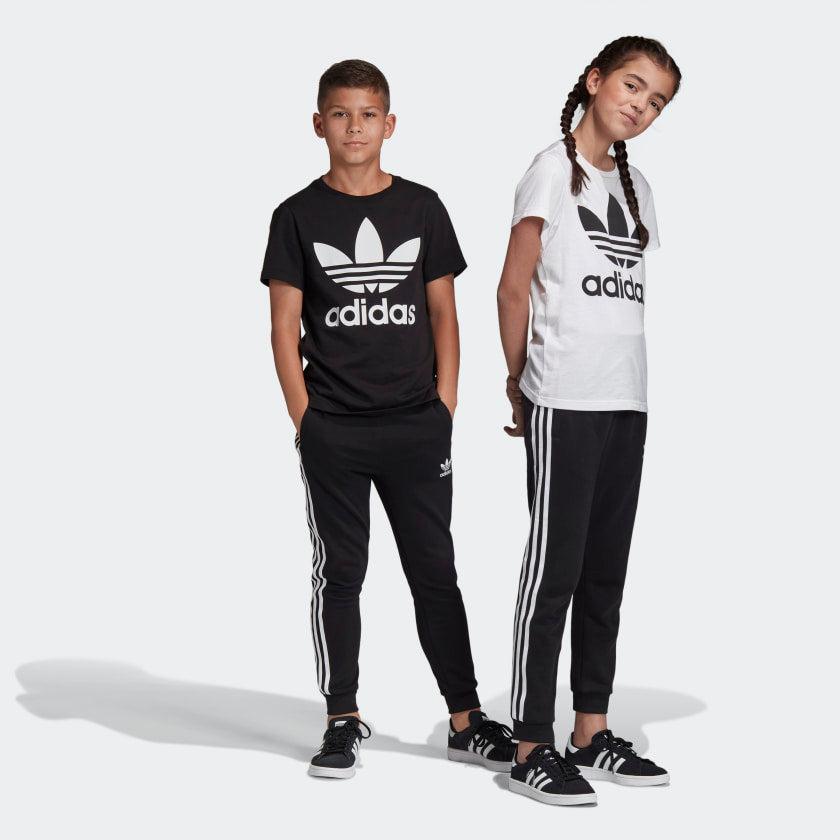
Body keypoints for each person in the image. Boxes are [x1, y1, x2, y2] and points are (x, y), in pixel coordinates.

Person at [260, 59, 514, 780]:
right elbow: (282, 329)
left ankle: (466, 719)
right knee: (341, 572)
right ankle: (341, 717)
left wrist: (446, 403)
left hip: (416, 424)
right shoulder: (296, 216)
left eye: (368, 114)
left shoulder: (422, 207)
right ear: (319, 124)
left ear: (390, 124)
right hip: (334, 429)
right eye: (341, 114)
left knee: (435, 571)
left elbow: (444, 313)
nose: (355, 127)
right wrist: (306, 420)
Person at [497, 37, 682, 806]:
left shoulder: (639, 191)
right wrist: (520, 385)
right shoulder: (550, 170)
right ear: (596, 81)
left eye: (657, 100)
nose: (641, 105)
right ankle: (529, 744)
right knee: (555, 573)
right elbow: (513, 288)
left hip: (625, 400)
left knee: (606, 571)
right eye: (633, 86)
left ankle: (590, 729)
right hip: (564, 397)